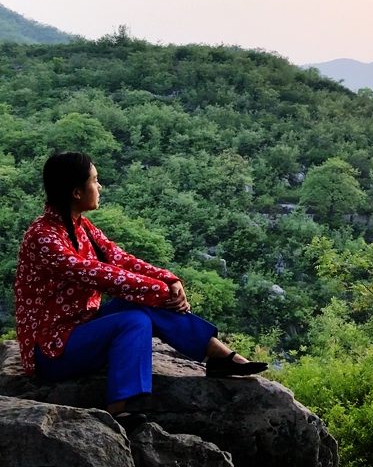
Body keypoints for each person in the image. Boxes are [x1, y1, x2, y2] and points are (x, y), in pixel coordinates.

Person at [14, 151, 268, 431]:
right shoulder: (44, 238)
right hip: (53, 350)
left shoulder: (79, 225)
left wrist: (169, 279)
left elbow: (119, 258)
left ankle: (217, 356)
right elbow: (100, 275)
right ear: (76, 192)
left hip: (83, 328)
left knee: (141, 305)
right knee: (134, 318)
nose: (100, 187)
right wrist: (161, 291)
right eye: (95, 181)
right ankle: (120, 408)